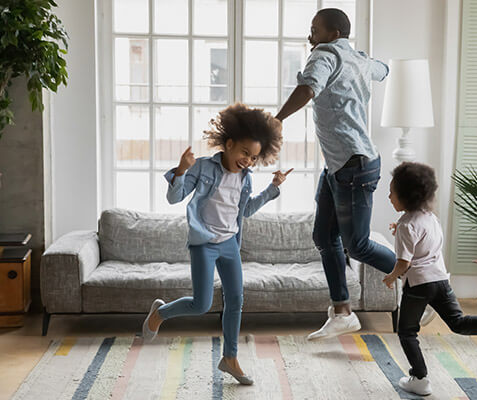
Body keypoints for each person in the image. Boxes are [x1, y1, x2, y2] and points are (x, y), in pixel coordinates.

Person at [275, 7, 403, 340]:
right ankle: (343, 312)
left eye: (314, 30)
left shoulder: (324, 55)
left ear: (332, 34)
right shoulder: (356, 57)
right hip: (341, 165)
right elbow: (383, 70)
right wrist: (372, 63)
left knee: (357, 245)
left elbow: (308, 88)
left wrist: (277, 120)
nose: (310, 36)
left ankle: (421, 274)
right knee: (323, 237)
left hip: (353, 165)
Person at [142, 103, 290, 385]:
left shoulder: (245, 179)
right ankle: (160, 313)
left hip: (229, 244)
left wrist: (273, 188)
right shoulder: (203, 168)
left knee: (236, 300)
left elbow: (245, 210)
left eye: (254, 157)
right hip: (204, 244)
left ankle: (230, 357)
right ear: (230, 144)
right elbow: (175, 198)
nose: (248, 160)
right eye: (244, 152)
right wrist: (182, 171)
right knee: (201, 304)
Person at [383, 162, 477, 396]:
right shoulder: (430, 217)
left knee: (407, 331)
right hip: (440, 280)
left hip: (418, 285)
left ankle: (420, 378)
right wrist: (402, 226)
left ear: (406, 196)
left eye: (392, 192)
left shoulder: (407, 225)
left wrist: (391, 277)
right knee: (458, 322)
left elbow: (404, 263)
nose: (388, 196)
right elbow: (422, 237)